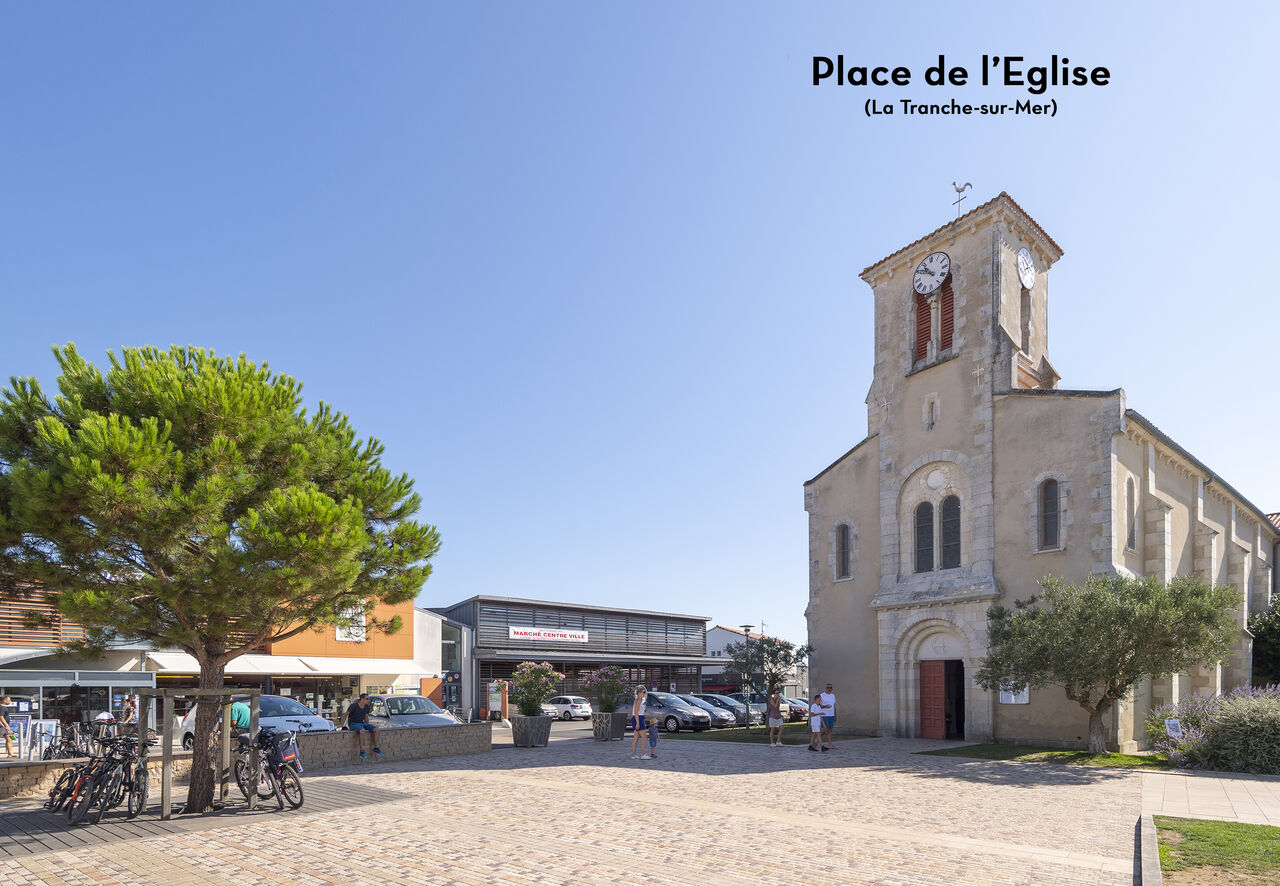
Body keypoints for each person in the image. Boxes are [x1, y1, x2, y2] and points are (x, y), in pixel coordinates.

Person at [342, 693, 383, 760]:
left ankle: (376, 748)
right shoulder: (353, 706)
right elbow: (345, 715)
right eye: (367, 699)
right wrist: (342, 726)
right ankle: (362, 750)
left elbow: (366, 717)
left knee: (376, 729)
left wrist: (368, 726)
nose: (368, 700)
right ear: (362, 699)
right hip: (353, 724)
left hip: (362, 723)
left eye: (368, 699)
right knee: (362, 730)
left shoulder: (366, 706)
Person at [629, 687, 648, 760]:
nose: (644, 694)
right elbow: (636, 712)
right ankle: (643, 754)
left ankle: (634, 754)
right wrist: (638, 723)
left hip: (639, 718)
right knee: (644, 736)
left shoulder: (638, 700)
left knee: (636, 738)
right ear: (639, 693)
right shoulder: (639, 700)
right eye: (643, 692)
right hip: (638, 718)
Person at [819, 683, 837, 750]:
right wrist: (825, 706)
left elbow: (834, 706)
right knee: (824, 729)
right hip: (824, 715)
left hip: (831, 715)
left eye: (830, 688)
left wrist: (835, 715)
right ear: (825, 688)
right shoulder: (822, 695)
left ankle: (830, 744)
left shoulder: (833, 696)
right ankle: (816, 739)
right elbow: (819, 705)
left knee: (830, 730)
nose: (829, 689)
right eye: (828, 687)